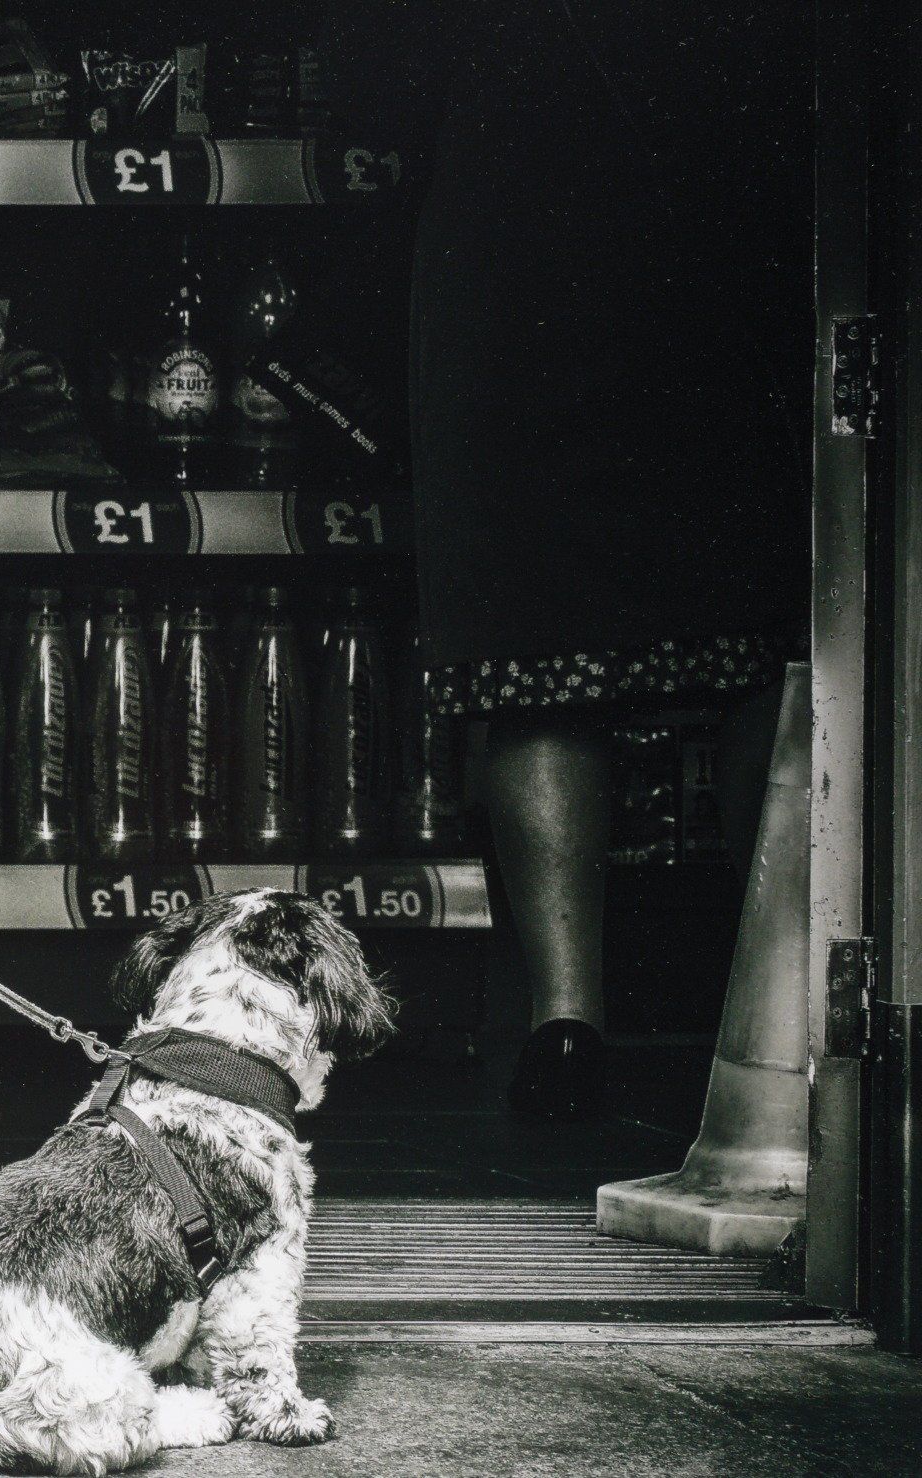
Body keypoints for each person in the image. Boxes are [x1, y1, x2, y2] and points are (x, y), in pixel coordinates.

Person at [404, 1, 812, 1119]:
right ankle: (766, 1022)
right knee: (752, 650)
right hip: (714, 247)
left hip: (516, 252)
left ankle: (564, 1029)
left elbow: (381, 81)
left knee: (538, 649)